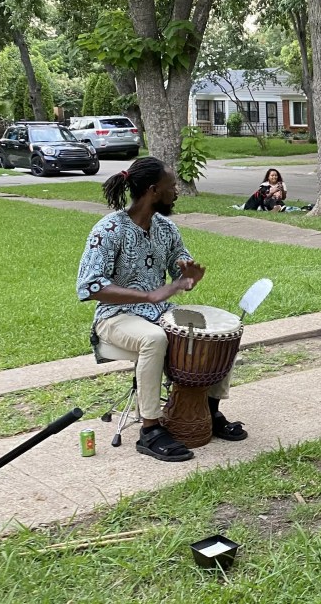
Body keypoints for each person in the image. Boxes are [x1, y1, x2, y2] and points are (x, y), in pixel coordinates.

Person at [77, 157, 246, 463]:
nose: (176, 192)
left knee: (219, 331)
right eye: (172, 187)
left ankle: (208, 412)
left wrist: (189, 276)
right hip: (115, 318)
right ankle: (150, 430)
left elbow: (180, 264)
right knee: (154, 339)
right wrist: (149, 294)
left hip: (160, 314)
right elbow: (89, 286)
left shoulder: (165, 228)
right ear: (153, 191)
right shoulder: (109, 229)